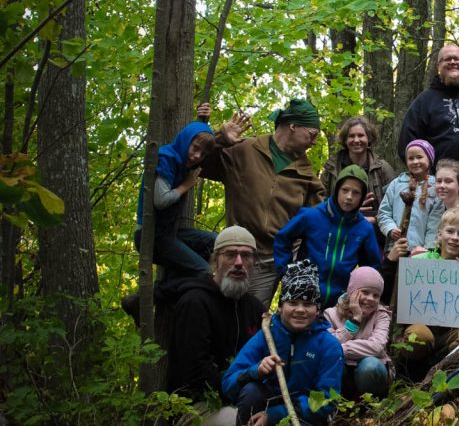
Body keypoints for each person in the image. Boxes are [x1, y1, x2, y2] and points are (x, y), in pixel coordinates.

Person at [199, 98, 325, 308]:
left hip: (270, 261)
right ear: (293, 126)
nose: (313, 142)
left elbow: (321, 218)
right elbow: (198, 163)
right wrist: (219, 140)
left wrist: (350, 212)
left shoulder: (307, 174)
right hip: (235, 250)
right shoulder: (245, 149)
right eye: (312, 135)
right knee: (218, 308)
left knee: (251, 315)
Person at [222, 259, 344, 426]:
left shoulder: (328, 346)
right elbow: (228, 383)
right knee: (251, 391)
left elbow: (327, 399)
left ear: (317, 309)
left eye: (308, 303)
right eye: (293, 302)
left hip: (305, 418)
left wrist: (274, 415)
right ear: (280, 307)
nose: (300, 310)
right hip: (264, 406)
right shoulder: (267, 335)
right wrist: (256, 371)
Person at [163, 226, 263, 426]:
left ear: (253, 263)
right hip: (194, 408)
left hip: (237, 401)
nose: (238, 262)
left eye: (246, 255)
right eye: (230, 254)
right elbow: (196, 371)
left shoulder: (253, 308)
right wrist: (239, 390)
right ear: (215, 260)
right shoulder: (194, 302)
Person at [273, 165, 381, 310]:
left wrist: (360, 293)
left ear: (362, 197)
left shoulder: (364, 228)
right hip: (303, 297)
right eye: (345, 190)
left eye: (356, 193)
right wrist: (286, 272)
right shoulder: (311, 215)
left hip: (339, 303)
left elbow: (371, 266)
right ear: (336, 190)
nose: (349, 197)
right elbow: (282, 238)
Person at [390, 207, 459, 368]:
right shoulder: (420, 261)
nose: (455, 238)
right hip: (422, 329)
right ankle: (411, 368)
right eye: (450, 231)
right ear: (439, 234)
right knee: (419, 334)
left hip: (449, 335)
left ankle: (446, 363)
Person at [134, 118, 216, 279]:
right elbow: (161, 200)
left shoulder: (184, 163)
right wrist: (186, 185)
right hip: (149, 236)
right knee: (204, 272)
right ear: (186, 140)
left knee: (217, 242)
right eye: (195, 148)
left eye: (203, 154)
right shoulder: (167, 158)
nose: (197, 156)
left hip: (170, 233)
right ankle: (157, 294)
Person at [378, 140, 445, 296]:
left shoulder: (436, 187)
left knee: (415, 292)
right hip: (396, 249)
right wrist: (390, 229)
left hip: (421, 253)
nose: (415, 162)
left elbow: (435, 222)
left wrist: (427, 250)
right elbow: (384, 213)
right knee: (393, 288)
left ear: (429, 159)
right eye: (411, 158)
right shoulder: (396, 184)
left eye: (419, 157)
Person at [397, 44, 459, 163]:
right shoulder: (424, 101)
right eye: (447, 59)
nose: (452, 62)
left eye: (457, 59)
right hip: (440, 178)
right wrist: (425, 174)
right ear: (438, 66)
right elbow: (407, 144)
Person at [323, 267, 392, 399]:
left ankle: (369, 406)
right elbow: (327, 345)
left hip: (368, 372)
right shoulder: (330, 314)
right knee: (333, 363)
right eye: (365, 292)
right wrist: (355, 320)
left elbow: (376, 346)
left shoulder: (381, 315)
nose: (371, 298)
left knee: (370, 366)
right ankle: (337, 404)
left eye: (376, 295)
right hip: (343, 370)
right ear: (352, 292)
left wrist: (341, 348)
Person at [319, 116, 395, 228]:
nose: (356, 140)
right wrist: (348, 210)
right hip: (339, 228)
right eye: (351, 136)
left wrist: (374, 219)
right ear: (345, 140)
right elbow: (320, 203)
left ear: (368, 138)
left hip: (376, 231)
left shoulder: (383, 168)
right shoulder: (332, 168)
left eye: (360, 135)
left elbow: (396, 205)